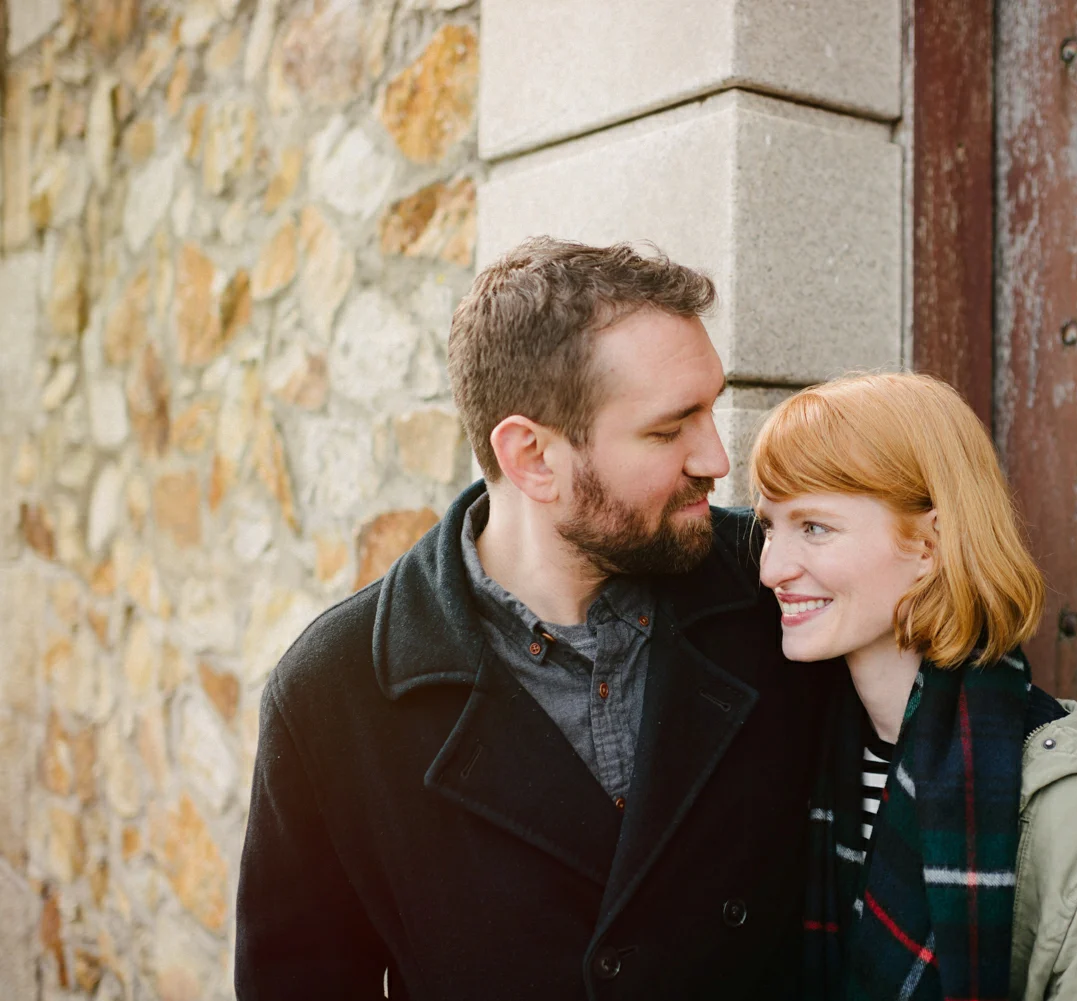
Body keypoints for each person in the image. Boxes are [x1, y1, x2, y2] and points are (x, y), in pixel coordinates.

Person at [235, 238, 835, 1000]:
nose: (716, 457)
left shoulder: (776, 588)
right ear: (532, 457)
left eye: (710, 410)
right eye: (668, 428)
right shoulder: (334, 693)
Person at [750, 373, 1077, 1001]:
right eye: (768, 527)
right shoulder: (803, 759)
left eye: (814, 527)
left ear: (929, 544)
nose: (772, 569)